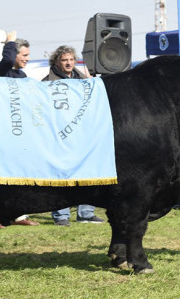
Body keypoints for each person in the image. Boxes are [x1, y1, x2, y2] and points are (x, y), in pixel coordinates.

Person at [43, 45, 105, 226]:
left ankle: (86, 213)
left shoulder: (85, 80)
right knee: (61, 175)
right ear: (56, 62)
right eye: (64, 60)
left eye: (71, 59)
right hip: (60, 134)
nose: (69, 63)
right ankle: (61, 216)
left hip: (83, 134)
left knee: (87, 171)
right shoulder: (47, 82)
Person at [0, 31, 38, 228]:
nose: (28, 59)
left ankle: (18, 214)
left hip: (19, 131)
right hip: (0, 129)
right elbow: (7, 61)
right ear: (14, 54)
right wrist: (9, 42)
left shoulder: (22, 75)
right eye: (24, 55)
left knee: (19, 172)